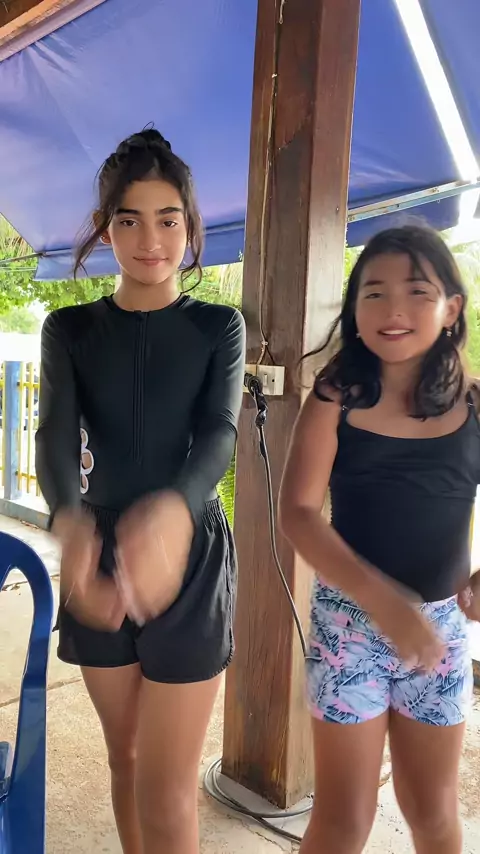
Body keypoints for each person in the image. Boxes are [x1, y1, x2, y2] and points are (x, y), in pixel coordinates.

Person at [35, 128, 246, 854]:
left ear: (190, 226)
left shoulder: (218, 326)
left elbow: (218, 433)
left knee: (166, 786)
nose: (150, 240)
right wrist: (71, 527)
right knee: (124, 759)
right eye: (129, 220)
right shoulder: (70, 329)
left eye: (167, 219)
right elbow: (53, 438)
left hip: (191, 556)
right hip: (97, 547)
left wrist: (173, 513)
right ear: (106, 229)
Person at [279, 225, 480, 854]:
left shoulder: (475, 406)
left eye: (417, 291)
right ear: (354, 309)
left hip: (441, 632)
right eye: (374, 293)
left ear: (451, 309)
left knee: (433, 813)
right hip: (348, 629)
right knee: (344, 820)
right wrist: (383, 603)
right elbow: (298, 513)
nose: (394, 309)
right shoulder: (335, 396)